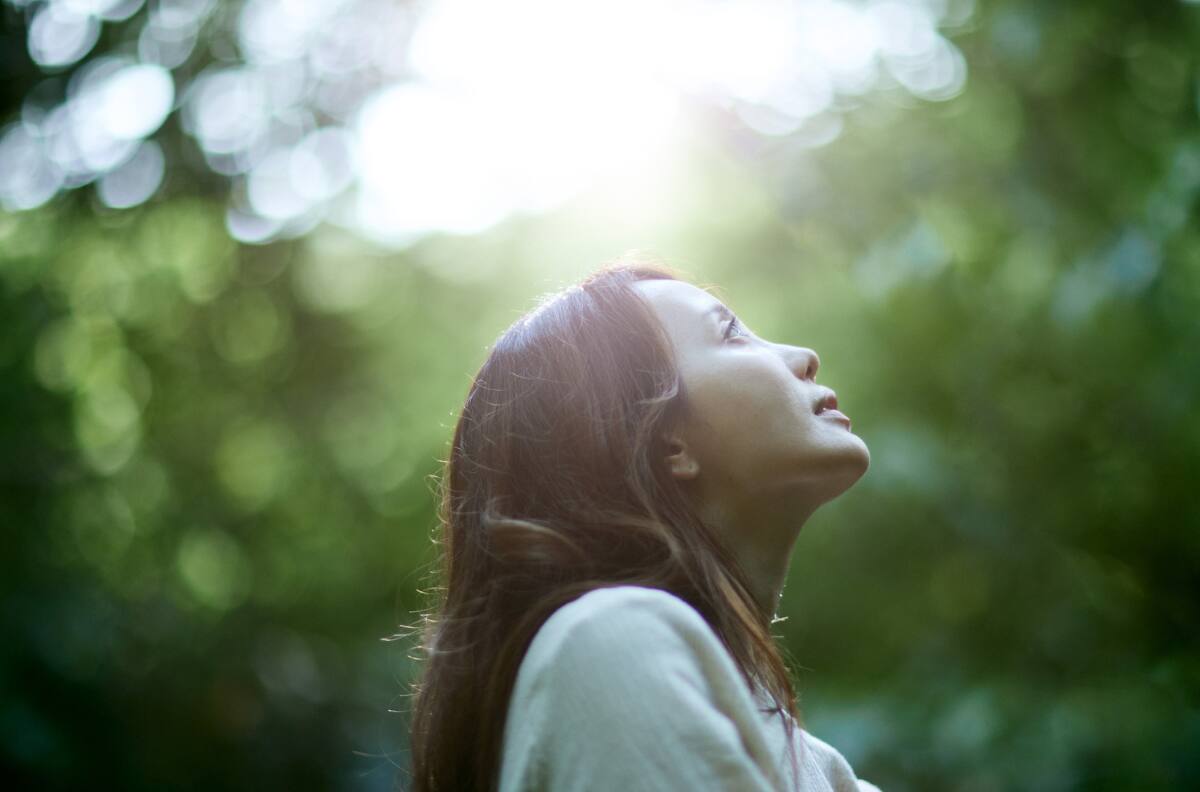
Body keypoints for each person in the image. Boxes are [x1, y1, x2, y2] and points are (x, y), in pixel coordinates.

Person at [404, 253, 881, 791]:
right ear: (666, 443)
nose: (805, 357)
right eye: (731, 335)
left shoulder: (816, 763)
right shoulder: (612, 643)